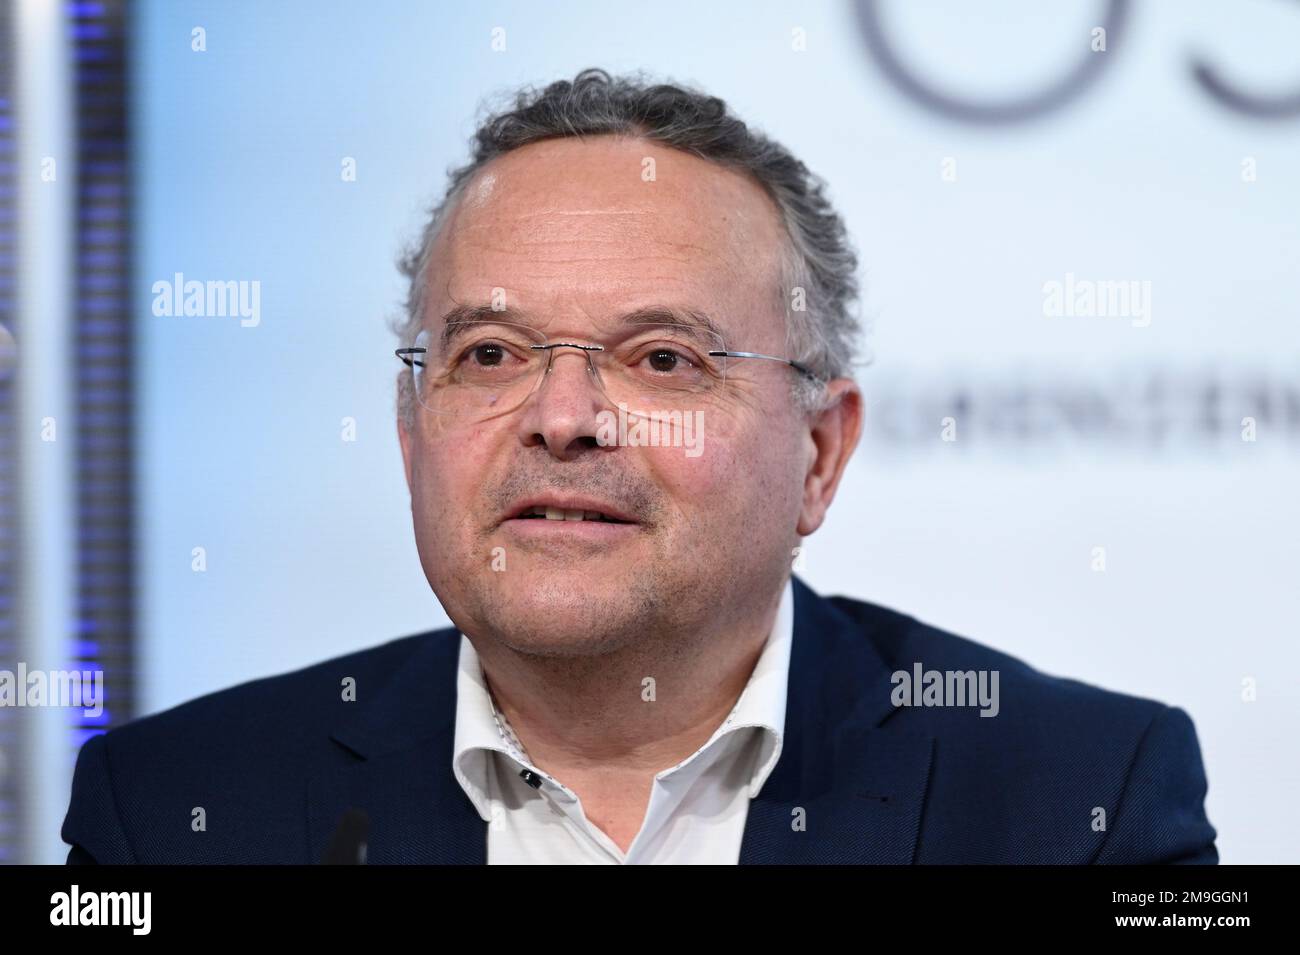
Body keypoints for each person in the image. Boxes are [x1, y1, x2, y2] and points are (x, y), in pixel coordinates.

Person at [62, 69, 1217, 864]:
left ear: (820, 452)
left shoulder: (1078, 800)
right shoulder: (176, 807)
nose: (562, 417)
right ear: (412, 429)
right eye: (491, 353)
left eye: (660, 357)